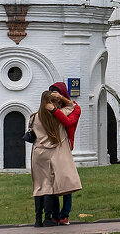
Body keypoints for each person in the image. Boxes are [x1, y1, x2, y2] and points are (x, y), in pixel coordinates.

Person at [30, 90, 81, 226]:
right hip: (53, 152)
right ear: (53, 103)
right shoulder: (58, 116)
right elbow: (73, 107)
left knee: (39, 186)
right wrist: (62, 98)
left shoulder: (34, 117)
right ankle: (48, 219)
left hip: (38, 153)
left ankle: (37, 220)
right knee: (49, 187)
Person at [48, 82, 80, 224]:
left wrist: (55, 110)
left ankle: (64, 214)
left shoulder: (74, 108)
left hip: (65, 147)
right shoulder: (49, 109)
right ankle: (55, 214)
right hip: (52, 147)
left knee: (66, 181)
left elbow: (68, 122)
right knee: (53, 181)